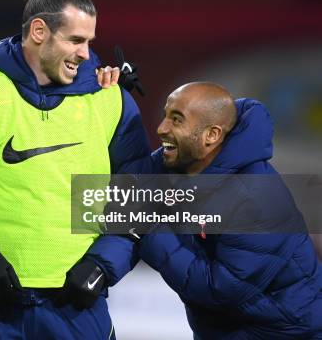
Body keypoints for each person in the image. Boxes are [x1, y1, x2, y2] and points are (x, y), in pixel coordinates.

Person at [0, 0, 149, 339]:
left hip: (79, 307)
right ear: (39, 31)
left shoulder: (111, 99)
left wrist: (102, 265)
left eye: (89, 42)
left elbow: (137, 198)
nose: (86, 53)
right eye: (76, 40)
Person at [134, 82, 322, 338]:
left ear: (211, 136)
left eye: (176, 120)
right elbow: (123, 189)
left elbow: (219, 290)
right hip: (233, 327)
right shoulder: (185, 160)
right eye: (166, 115)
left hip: (282, 332)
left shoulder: (255, 201)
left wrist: (149, 229)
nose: (161, 128)